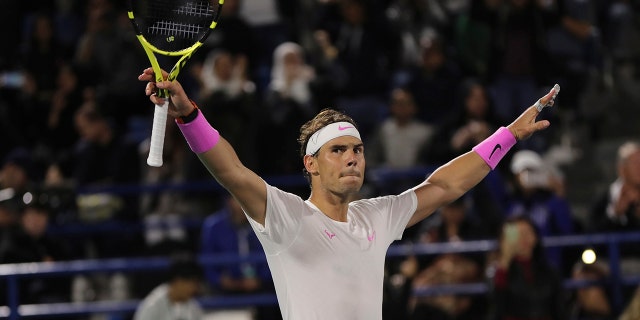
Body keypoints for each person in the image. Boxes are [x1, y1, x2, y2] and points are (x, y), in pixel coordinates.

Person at [138, 67, 558, 319]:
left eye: (357, 149)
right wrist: (189, 114)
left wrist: (508, 135)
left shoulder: (376, 216)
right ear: (311, 164)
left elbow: (447, 184)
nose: (353, 158)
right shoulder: (286, 217)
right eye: (338, 151)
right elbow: (230, 170)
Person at [200, 195, 280, 320]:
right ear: (229, 201)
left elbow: (273, 256)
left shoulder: (262, 223)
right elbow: (208, 264)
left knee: (274, 300)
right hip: (225, 289)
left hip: (260, 286)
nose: (242, 203)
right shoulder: (213, 226)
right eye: (237, 199)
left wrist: (260, 279)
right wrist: (222, 280)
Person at [486, 215, 567, 320]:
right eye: (518, 234)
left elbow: (558, 309)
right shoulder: (499, 270)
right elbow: (497, 303)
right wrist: (506, 258)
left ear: (535, 237)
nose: (523, 238)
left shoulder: (550, 271)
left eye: (527, 232)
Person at [133, 256, 204, 320]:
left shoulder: (194, 307)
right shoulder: (153, 305)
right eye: (193, 283)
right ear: (178, 281)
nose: (195, 288)